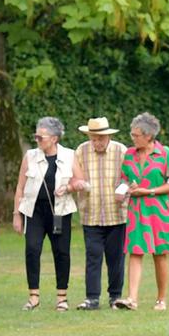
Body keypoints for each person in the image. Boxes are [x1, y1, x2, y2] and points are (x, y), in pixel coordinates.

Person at [112, 112, 169, 310]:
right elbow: (125, 179)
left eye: (136, 135)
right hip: (137, 212)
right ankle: (131, 299)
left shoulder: (165, 153)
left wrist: (149, 191)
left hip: (160, 212)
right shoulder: (128, 155)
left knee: (159, 254)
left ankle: (161, 300)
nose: (132, 138)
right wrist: (121, 191)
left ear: (149, 136)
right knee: (135, 252)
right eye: (132, 134)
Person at [11, 117, 77, 311]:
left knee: (62, 252)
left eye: (41, 137)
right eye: (36, 136)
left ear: (55, 138)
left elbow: (82, 182)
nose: (37, 140)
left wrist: (69, 187)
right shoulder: (30, 156)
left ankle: (62, 297)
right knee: (32, 249)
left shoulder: (70, 156)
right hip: (34, 211)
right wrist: (17, 214)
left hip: (60, 211)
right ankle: (33, 296)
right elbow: (20, 187)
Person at [66, 116, 127, 310]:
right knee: (93, 256)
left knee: (116, 257)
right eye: (93, 138)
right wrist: (78, 184)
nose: (97, 142)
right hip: (90, 213)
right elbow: (73, 178)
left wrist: (123, 189)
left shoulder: (121, 151)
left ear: (108, 136)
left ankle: (115, 297)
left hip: (116, 214)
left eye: (100, 138)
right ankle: (92, 298)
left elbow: (130, 177)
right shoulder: (81, 151)